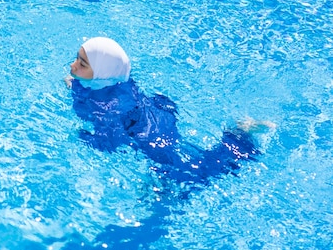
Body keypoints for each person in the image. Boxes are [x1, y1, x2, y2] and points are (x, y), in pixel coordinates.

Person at [66, 36, 273, 185]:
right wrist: (76, 83)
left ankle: (239, 137)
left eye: (82, 63)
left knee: (195, 173)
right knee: (177, 164)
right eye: (77, 58)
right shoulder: (119, 80)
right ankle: (237, 136)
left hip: (149, 135)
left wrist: (85, 138)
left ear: (103, 72)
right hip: (156, 114)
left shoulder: (107, 107)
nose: (73, 66)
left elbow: (109, 143)